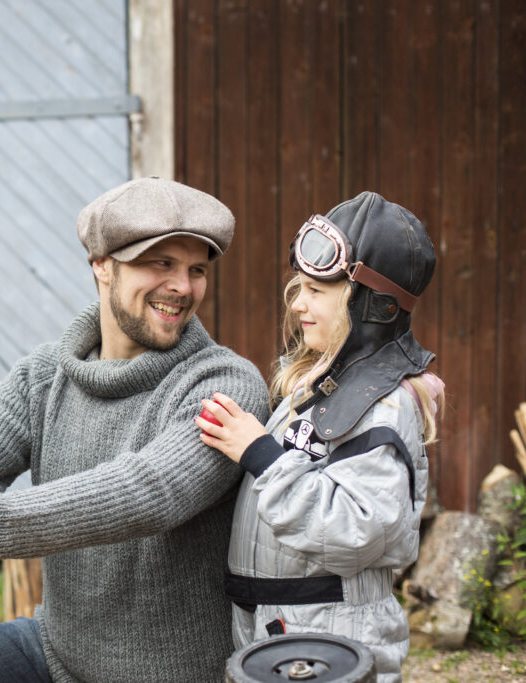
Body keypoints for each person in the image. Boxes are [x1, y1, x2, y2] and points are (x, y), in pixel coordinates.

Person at [0, 177, 270, 682]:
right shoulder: (47, 374)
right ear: (102, 265)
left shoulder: (224, 384)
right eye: (161, 263)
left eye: (196, 269)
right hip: (55, 653)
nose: (183, 286)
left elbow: (145, 492)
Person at [196, 192, 444, 681]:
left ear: (375, 306)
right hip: (282, 625)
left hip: (331, 637)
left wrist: (261, 455)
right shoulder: (315, 384)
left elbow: (355, 530)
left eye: (317, 291)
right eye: (300, 286)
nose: (299, 303)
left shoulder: (383, 406)